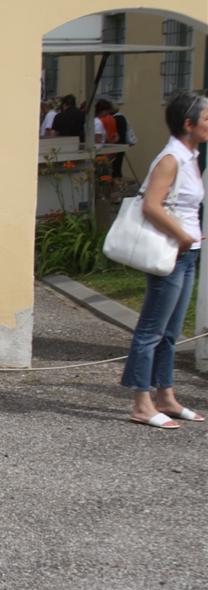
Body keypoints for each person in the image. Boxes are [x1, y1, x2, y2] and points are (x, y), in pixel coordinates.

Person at [121, 92, 207, 429]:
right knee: (151, 330)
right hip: (171, 253)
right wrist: (184, 236)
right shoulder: (170, 158)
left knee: (170, 332)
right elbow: (151, 206)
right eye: (206, 118)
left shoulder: (190, 157)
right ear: (188, 124)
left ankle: (166, 396)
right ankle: (141, 403)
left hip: (187, 253)